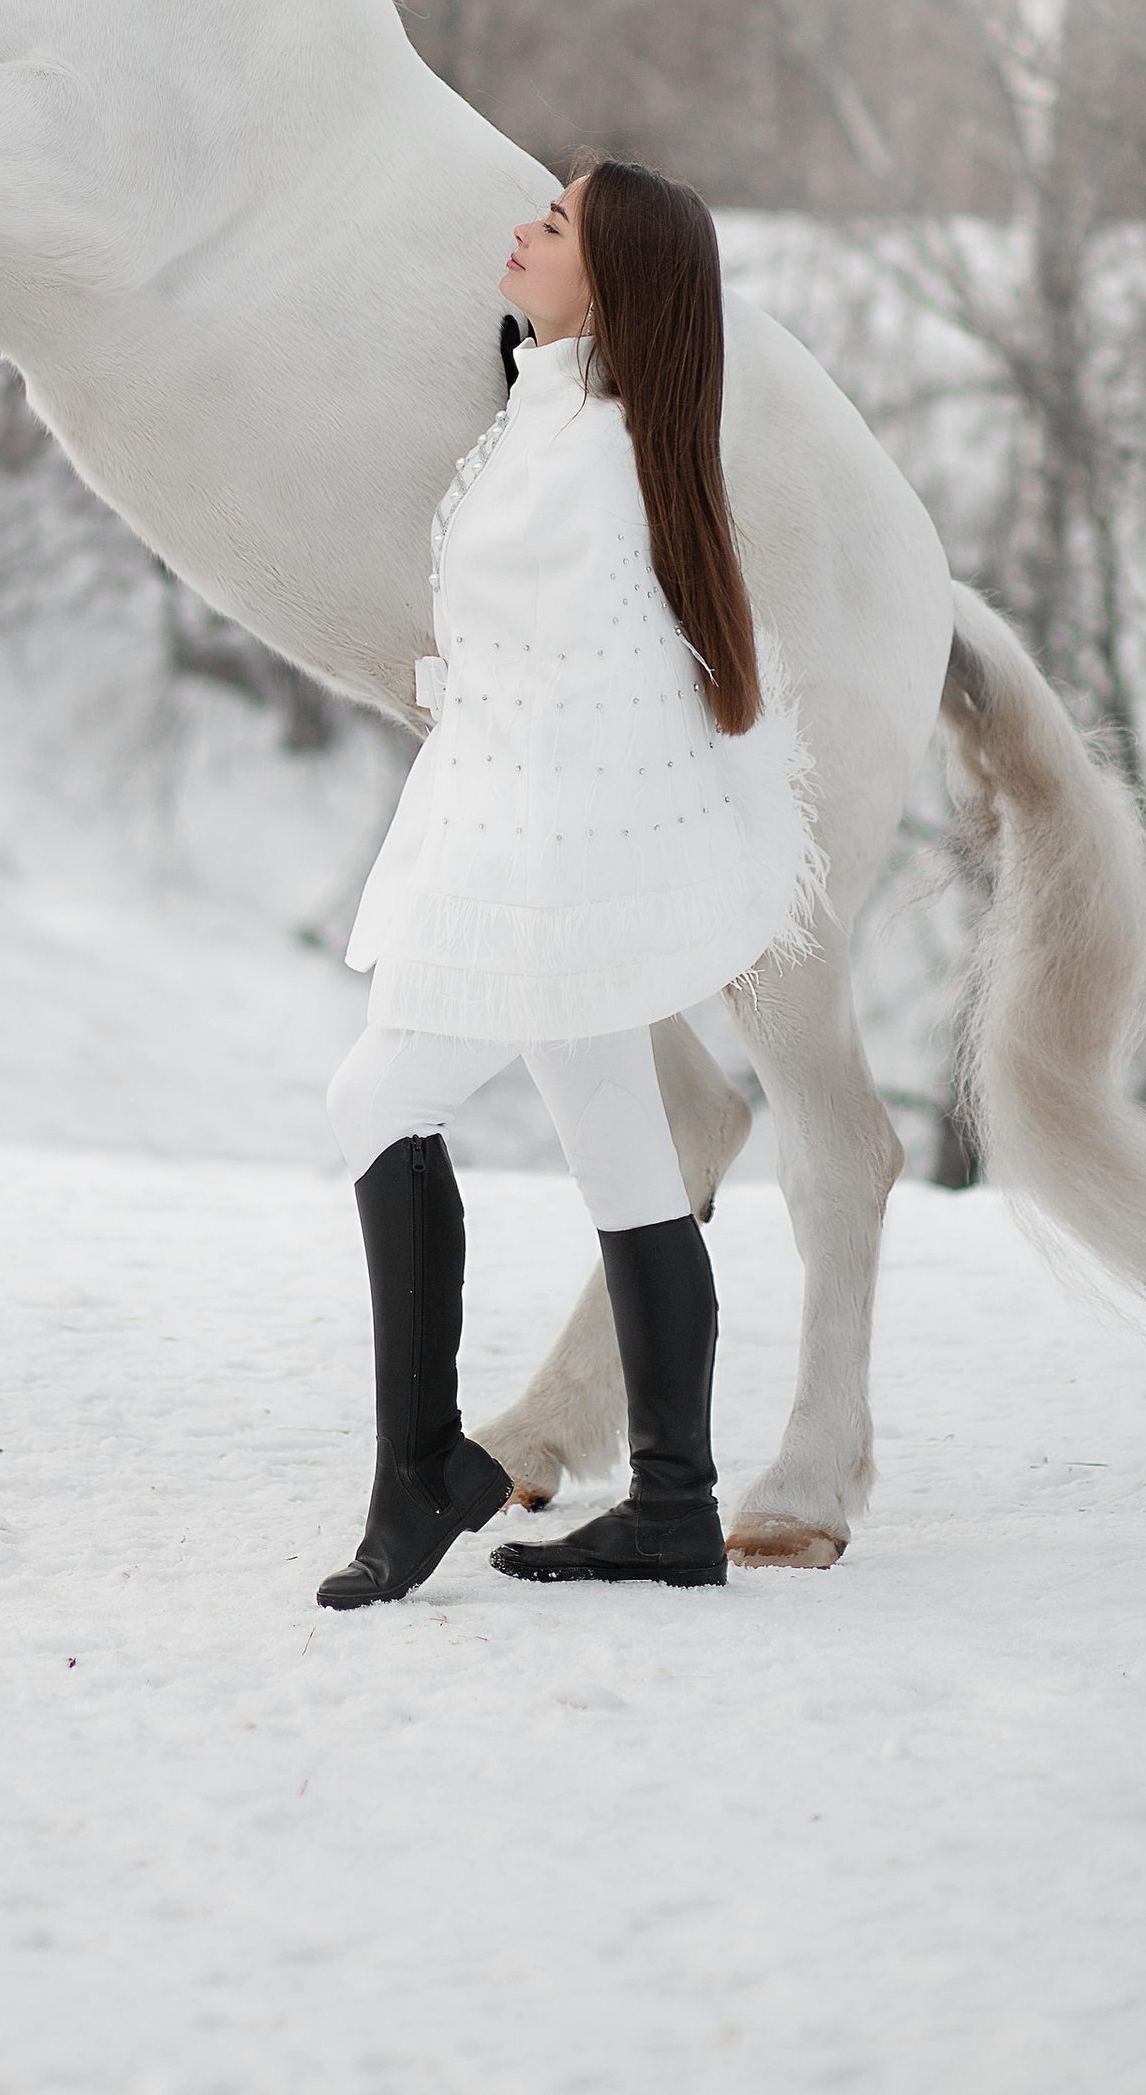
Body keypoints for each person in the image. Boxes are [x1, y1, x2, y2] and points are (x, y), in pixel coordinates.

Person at [314, 158, 818, 1612]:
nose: (524, 230)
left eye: (555, 227)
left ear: (609, 287)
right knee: (624, 1151)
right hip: (551, 846)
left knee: (375, 1100)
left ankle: (423, 1473)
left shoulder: (590, 457)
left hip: (540, 854)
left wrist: (504, 842)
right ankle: (674, 1506)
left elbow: (568, 681)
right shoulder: (567, 416)